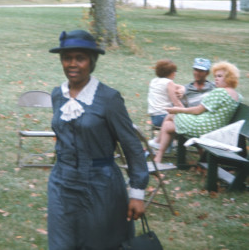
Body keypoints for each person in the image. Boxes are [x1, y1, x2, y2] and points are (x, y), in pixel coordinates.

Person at [47, 29, 149, 250]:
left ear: (92, 62)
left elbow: (132, 147)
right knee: (61, 244)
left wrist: (137, 193)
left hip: (100, 186)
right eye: (67, 58)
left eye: (80, 58)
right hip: (61, 184)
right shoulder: (57, 95)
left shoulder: (108, 98)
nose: (72, 64)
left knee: (100, 244)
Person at [150, 61, 242, 163]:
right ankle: (158, 155)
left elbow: (197, 110)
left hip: (202, 127)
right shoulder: (237, 96)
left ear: (229, 77)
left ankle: (158, 144)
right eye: (215, 76)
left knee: (172, 114)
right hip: (212, 127)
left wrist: (178, 110)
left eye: (220, 76)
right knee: (167, 125)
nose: (216, 78)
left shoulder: (220, 92)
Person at [148, 59, 184, 127]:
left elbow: (179, 86)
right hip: (164, 116)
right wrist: (188, 112)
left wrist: (182, 89)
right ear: (172, 72)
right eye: (175, 71)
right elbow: (176, 103)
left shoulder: (154, 81)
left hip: (154, 118)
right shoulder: (169, 83)